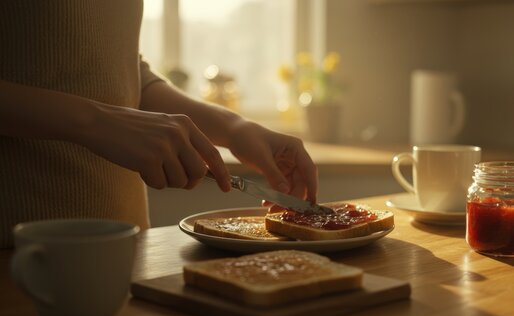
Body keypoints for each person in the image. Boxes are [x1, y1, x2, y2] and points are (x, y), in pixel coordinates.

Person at [0, 1, 319, 248]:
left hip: (128, 243)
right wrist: (96, 121)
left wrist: (233, 128)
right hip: (18, 250)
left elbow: (122, 71)